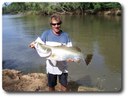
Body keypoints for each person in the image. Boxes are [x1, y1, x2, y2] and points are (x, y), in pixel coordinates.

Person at [29, 14, 73, 91]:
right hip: (51, 68)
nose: (56, 26)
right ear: (51, 25)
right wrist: (33, 45)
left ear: (60, 23)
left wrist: (71, 58)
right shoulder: (45, 34)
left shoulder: (66, 36)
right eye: (54, 24)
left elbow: (70, 50)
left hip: (63, 68)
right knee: (51, 86)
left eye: (58, 23)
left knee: (64, 86)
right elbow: (38, 44)